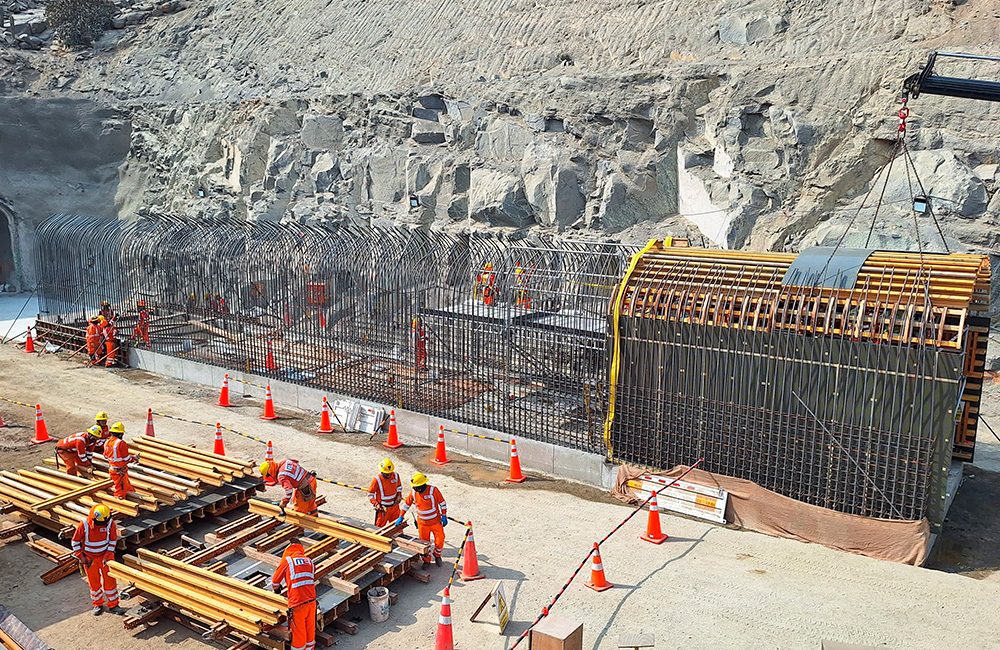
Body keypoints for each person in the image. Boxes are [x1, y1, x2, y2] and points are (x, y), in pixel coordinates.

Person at [72, 504, 123, 616]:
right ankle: (98, 604)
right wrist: (81, 557)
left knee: (110, 581)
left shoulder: (110, 523)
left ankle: (113, 604)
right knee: (94, 582)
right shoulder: (84, 525)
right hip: (90, 559)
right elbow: (75, 541)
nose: (102, 526)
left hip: (106, 556)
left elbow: (113, 541)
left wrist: (107, 556)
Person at [396, 472, 447, 567]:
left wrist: (444, 515)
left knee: (440, 540)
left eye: (416, 487)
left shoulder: (433, 490)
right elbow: (407, 504)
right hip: (422, 524)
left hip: (435, 522)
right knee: (424, 543)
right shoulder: (414, 493)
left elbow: (442, 503)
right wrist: (401, 516)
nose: (414, 489)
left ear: (421, 485)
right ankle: (426, 560)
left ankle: (437, 555)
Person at [271, 543, 316, 650]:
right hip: (312, 601)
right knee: (310, 628)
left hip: (297, 603)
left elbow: (275, 581)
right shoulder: (309, 561)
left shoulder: (288, 560)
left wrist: (277, 590)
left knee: (299, 631)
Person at [103, 422, 138, 499]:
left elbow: (105, 455)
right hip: (119, 471)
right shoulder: (120, 443)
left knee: (127, 486)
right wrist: (134, 458)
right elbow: (126, 458)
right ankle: (119, 504)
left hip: (113, 469)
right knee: (120, 490)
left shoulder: (107, 442)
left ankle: (132, 496)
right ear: (120, 434)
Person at [367, 458, 403, 527]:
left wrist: (399, 495)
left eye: (389, 473)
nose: (388, 475)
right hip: (383, 509)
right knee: (379, 529)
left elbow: (399, 487)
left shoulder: (395, 475)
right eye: (386, 474)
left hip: (395, 507)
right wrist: (376, 504)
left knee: (397, 527)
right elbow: (370, 494)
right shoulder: (377, 480)